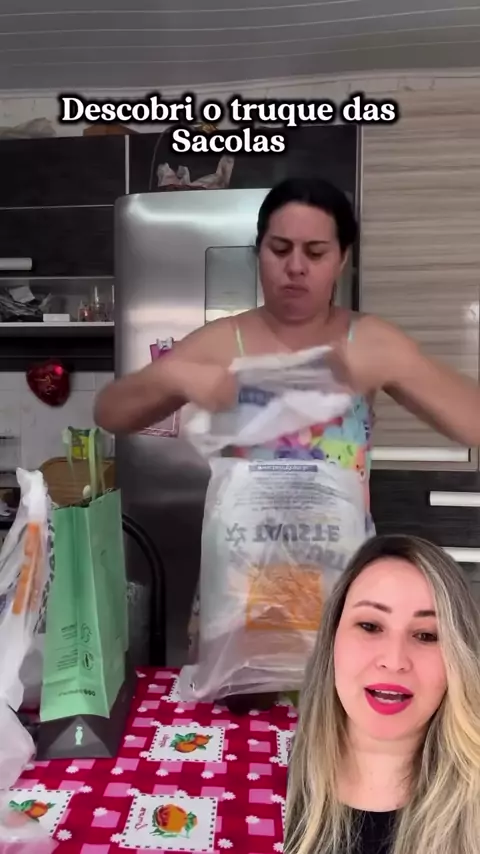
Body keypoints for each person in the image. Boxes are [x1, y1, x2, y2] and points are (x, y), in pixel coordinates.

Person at [94, 177, 480, 676]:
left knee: (334, 711)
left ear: (341, 259)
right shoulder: (222, 342)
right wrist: (173, 374)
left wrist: (402, 369)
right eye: (280, 249)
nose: (296, 266)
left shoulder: (369, 341)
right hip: (239, 600)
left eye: (315, 252)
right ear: (259, 252)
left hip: (340, 591)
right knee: (238, 720)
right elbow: (110, 413)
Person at [284, 533, 480, 854]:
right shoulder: (253, 771)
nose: (394, 660)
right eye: (370, 626)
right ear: (332, 638)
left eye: (426, 635)